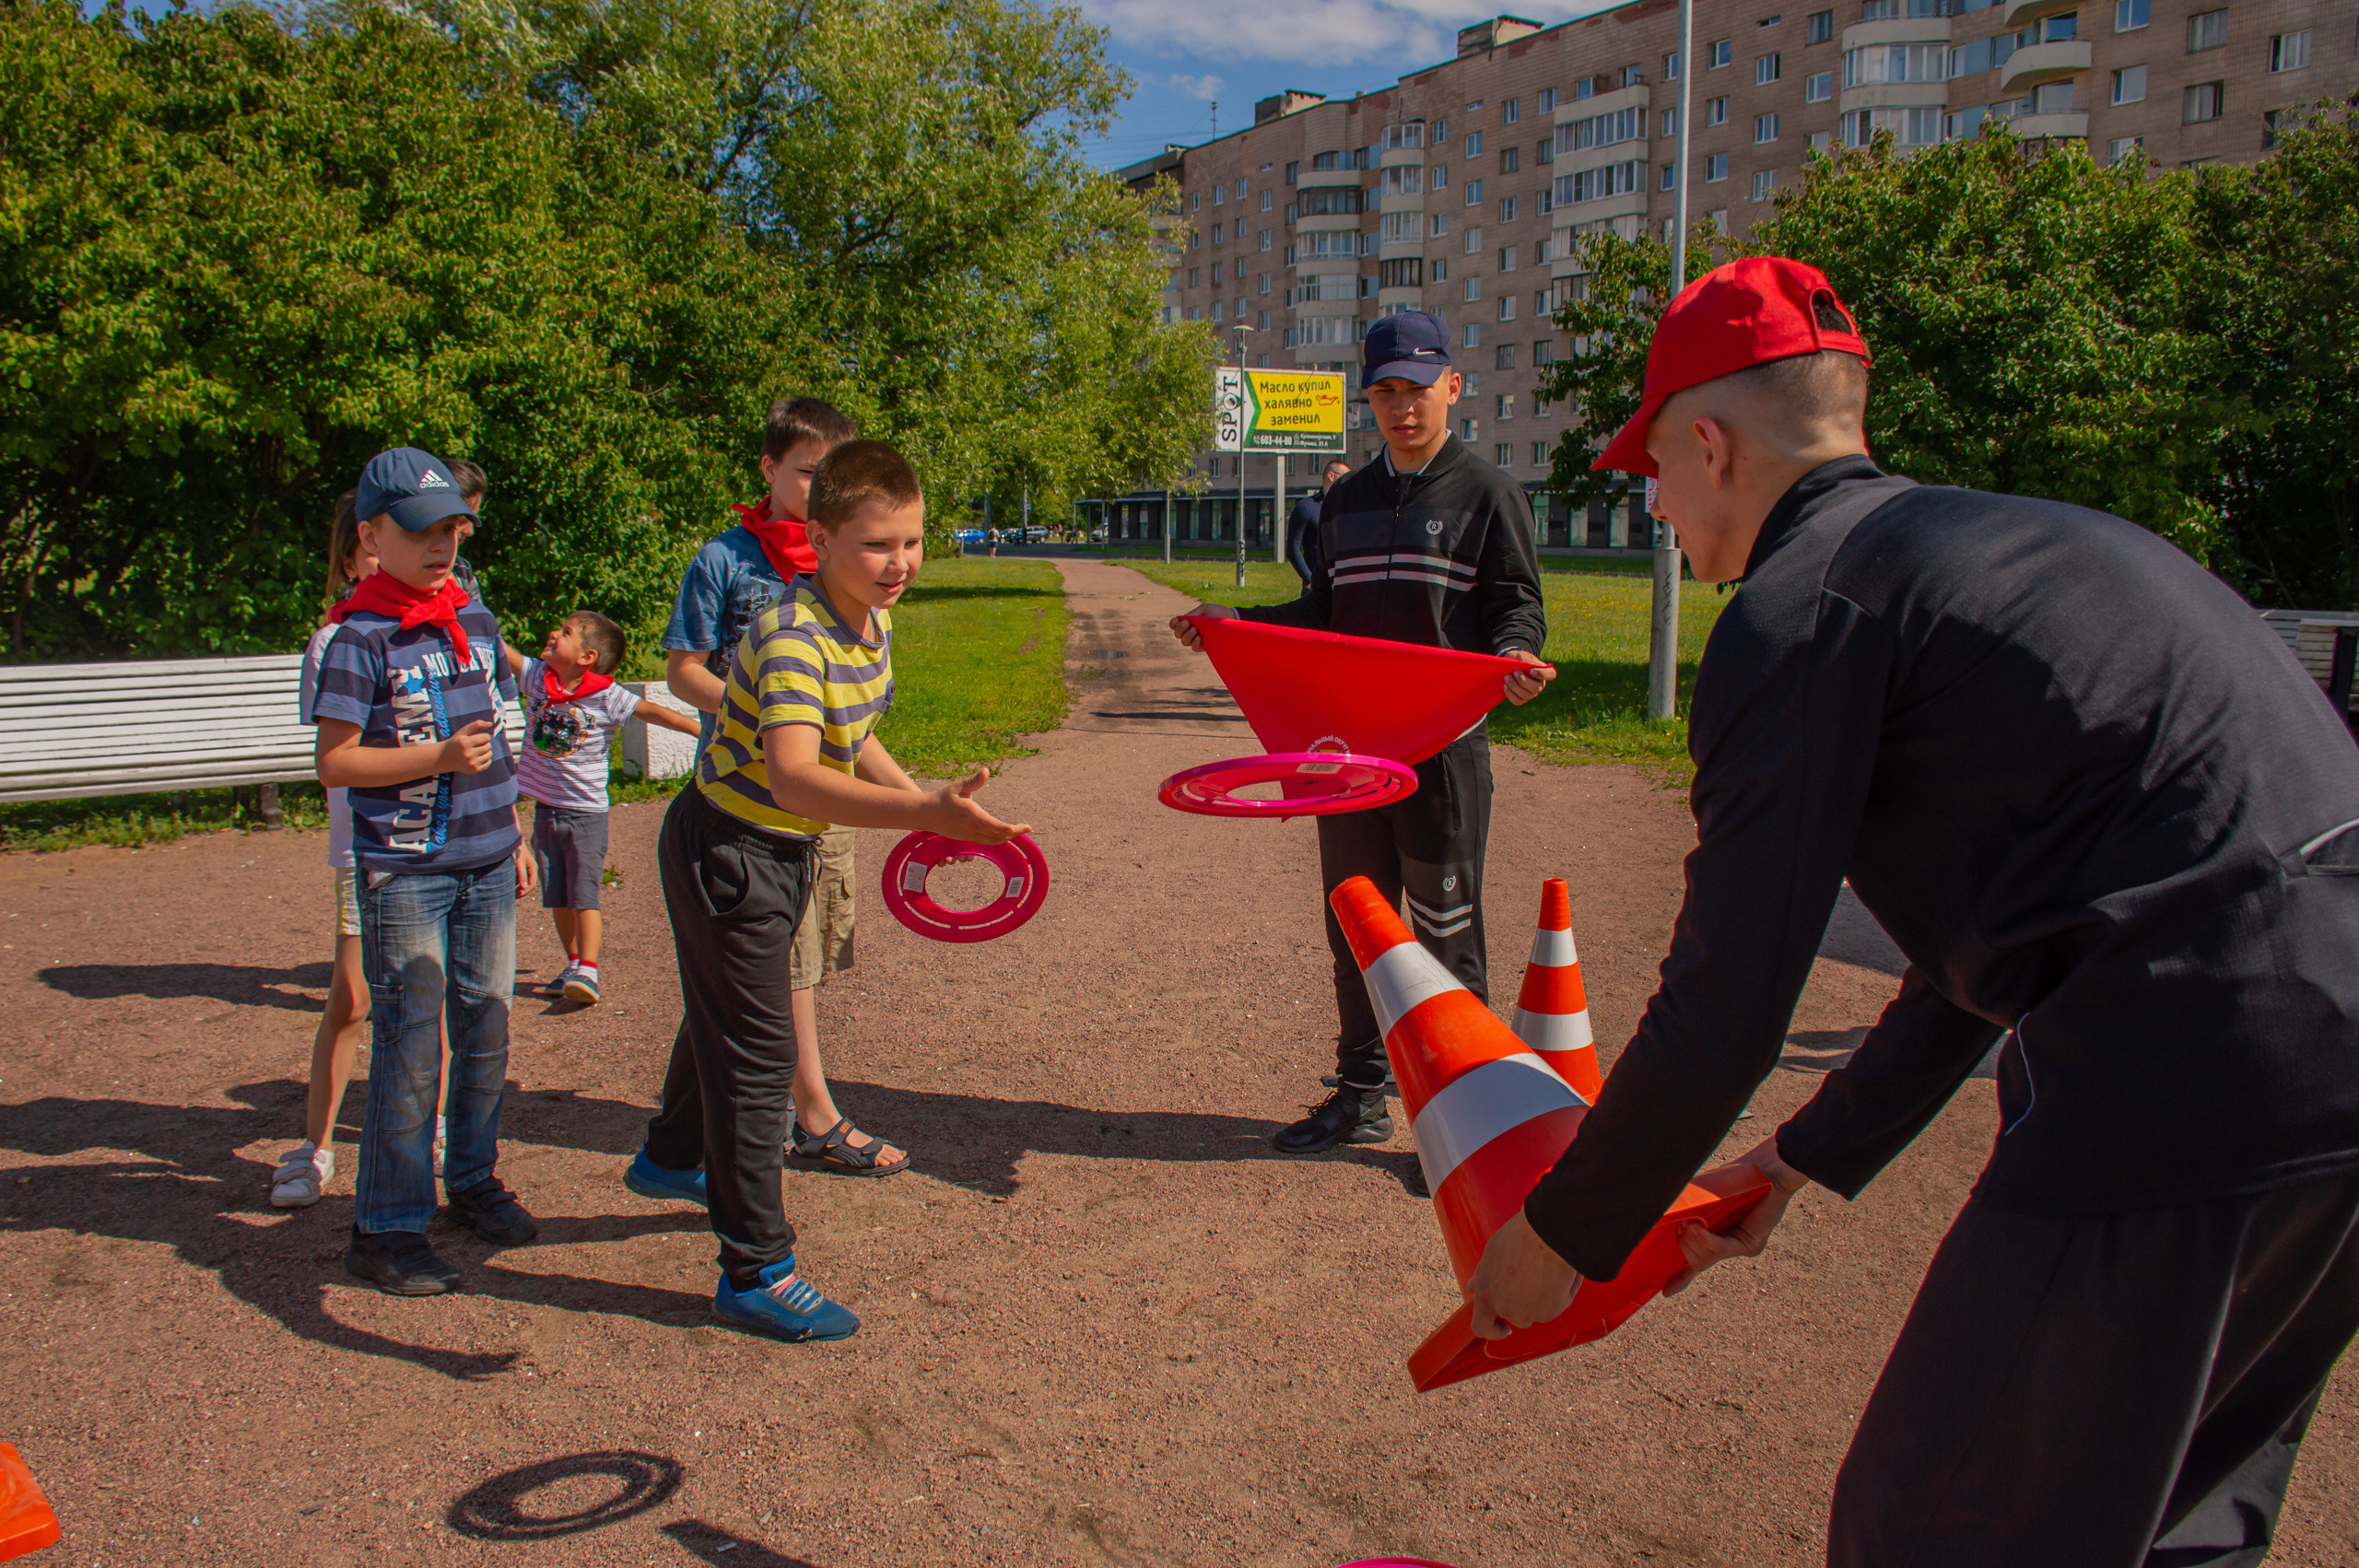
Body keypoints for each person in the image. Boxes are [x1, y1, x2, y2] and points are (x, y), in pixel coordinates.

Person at [1461, 257, 2359, 1566]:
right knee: (2167, 1519)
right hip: (2330, 1050)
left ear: (1709, 442)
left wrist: (1563, 1235)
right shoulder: (2024, 553)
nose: (1653, 503)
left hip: (2184, 1053)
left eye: (1650, 469)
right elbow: (1987, 941)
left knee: (1938, 1525)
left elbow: (1729, 999)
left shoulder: (1803, 608)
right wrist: (1802, 1155)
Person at [624, 440, 1030, 1341]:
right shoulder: (793, 636)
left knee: (725, 1013)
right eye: (877, 544)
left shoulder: (869, 622)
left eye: (913, 541)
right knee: (758, 1061)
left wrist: (928, 802)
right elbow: (800, 778)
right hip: (733, 848)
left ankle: (668, 1156)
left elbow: (856, 737)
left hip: (770, 845)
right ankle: (756, 1269)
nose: (900, 563)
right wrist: (917, 808)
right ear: (819, 539)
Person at [1172, 310, 1555, 1154]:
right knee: (1358, 926)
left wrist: (1515, 657)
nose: (1402, 408)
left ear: (1452, 387)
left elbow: (1515, 604)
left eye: (1416, 390)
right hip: (1346, 758)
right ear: (1368, 401)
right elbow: (1322, 613)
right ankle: (1362, 1093)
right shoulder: (1343, 500)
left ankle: (1464, 1122)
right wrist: (1236, 619)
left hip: (1442, 755)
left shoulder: (1490, 492)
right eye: (1385, 392)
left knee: (1444, 937)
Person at [313, 447, 541, 1295]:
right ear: (372, 535)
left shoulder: (472, 618)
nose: (441, 544)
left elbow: (498, 740)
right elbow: (334, 763)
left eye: (452, 527)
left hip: (486, 856)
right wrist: (436, 755)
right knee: (411, 1044)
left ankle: (472, 1181)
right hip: (406, 869)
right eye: (421, 531)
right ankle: (386, 1227)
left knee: (486, 1023)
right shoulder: (356, 637)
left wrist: (513, 830)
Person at [661, 395, 904, 1174]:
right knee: (775, 974)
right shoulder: (728, 562)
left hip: (825, 797)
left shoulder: (858, 578)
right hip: (749, 799)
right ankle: (810, 1117)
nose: (822, 487)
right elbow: (685, 670)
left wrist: (917, 800)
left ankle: (671, 1152)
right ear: (769, 470)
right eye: (808, 473)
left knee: (776, 968)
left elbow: (852, 721)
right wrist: (766, 706)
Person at [503, 610, 699, 1004]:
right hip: (546, 809)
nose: (553, 633)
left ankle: (589, 970)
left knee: (583, 893)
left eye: (566, 632)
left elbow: (653, 712)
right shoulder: (537, 677)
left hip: (585, 813)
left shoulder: (607, 695)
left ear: (587, 657)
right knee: (556, 894)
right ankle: (573, 963)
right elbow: (497, 648)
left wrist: (704, 730)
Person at [270, 491, 375, 1208]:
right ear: (350, 559)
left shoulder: (442, 633)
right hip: (361, 852)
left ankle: (431, 1127)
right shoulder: (336, 641)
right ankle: (317, 1145)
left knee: (430, 1000)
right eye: (371, 553)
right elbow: (338, 755)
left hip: (434, 851)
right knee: (352, 995)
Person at [1285, 458, 1353, 589]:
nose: (1347, 482)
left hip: (1342, 585)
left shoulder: (1347, 508)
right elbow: (1293, 548)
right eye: (1345, 477)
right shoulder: (1307, 507)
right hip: (1316, 586)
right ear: (1331, 476)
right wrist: (1310, 580)